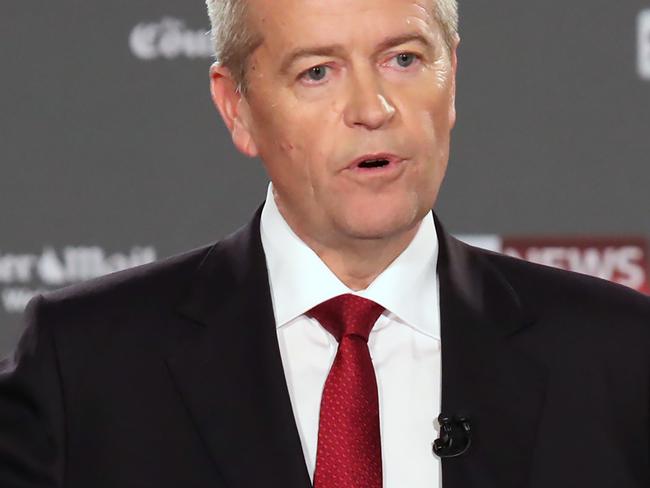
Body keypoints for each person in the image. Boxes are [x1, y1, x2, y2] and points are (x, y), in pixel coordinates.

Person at [1, 0, 648, 486]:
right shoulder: (83, 366)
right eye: (318, 72)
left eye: (404, 59)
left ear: (453, 76)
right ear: (238, 109)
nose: (373, 108)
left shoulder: (619, 356)